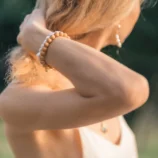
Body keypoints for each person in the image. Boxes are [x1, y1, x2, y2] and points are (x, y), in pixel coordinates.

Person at [0, 0, 149, 158]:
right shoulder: (23, 94)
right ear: (114, 14)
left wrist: (40, 39)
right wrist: (36, 37)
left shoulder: (103, 84)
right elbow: (131, 91)